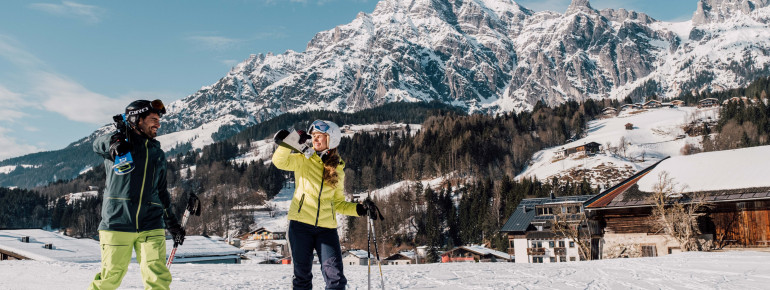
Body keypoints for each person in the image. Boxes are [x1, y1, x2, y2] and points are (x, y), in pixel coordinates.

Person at [89, 99, 185, 290]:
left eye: (159, 119)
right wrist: (114, 142)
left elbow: (161, 191)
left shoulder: (157, 153)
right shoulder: (120, 144)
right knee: (109, 278)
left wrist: (172, 223)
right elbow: (96, 144)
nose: (158, 123)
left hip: (151, 224)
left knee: (158, 278)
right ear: (138, 120)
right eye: (153, 119)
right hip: (117, 222)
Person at [272, 119, 379, 290]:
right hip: (300, 226)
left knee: (336, 278)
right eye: (313, 135)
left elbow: (337, 203)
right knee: (302, 277)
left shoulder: (338, 169)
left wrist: (359, 209)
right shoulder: (303, 158)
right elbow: (279, 162)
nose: (315, 139)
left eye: (320, 136)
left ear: (332, 139)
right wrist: (290, 141)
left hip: (326, 229)